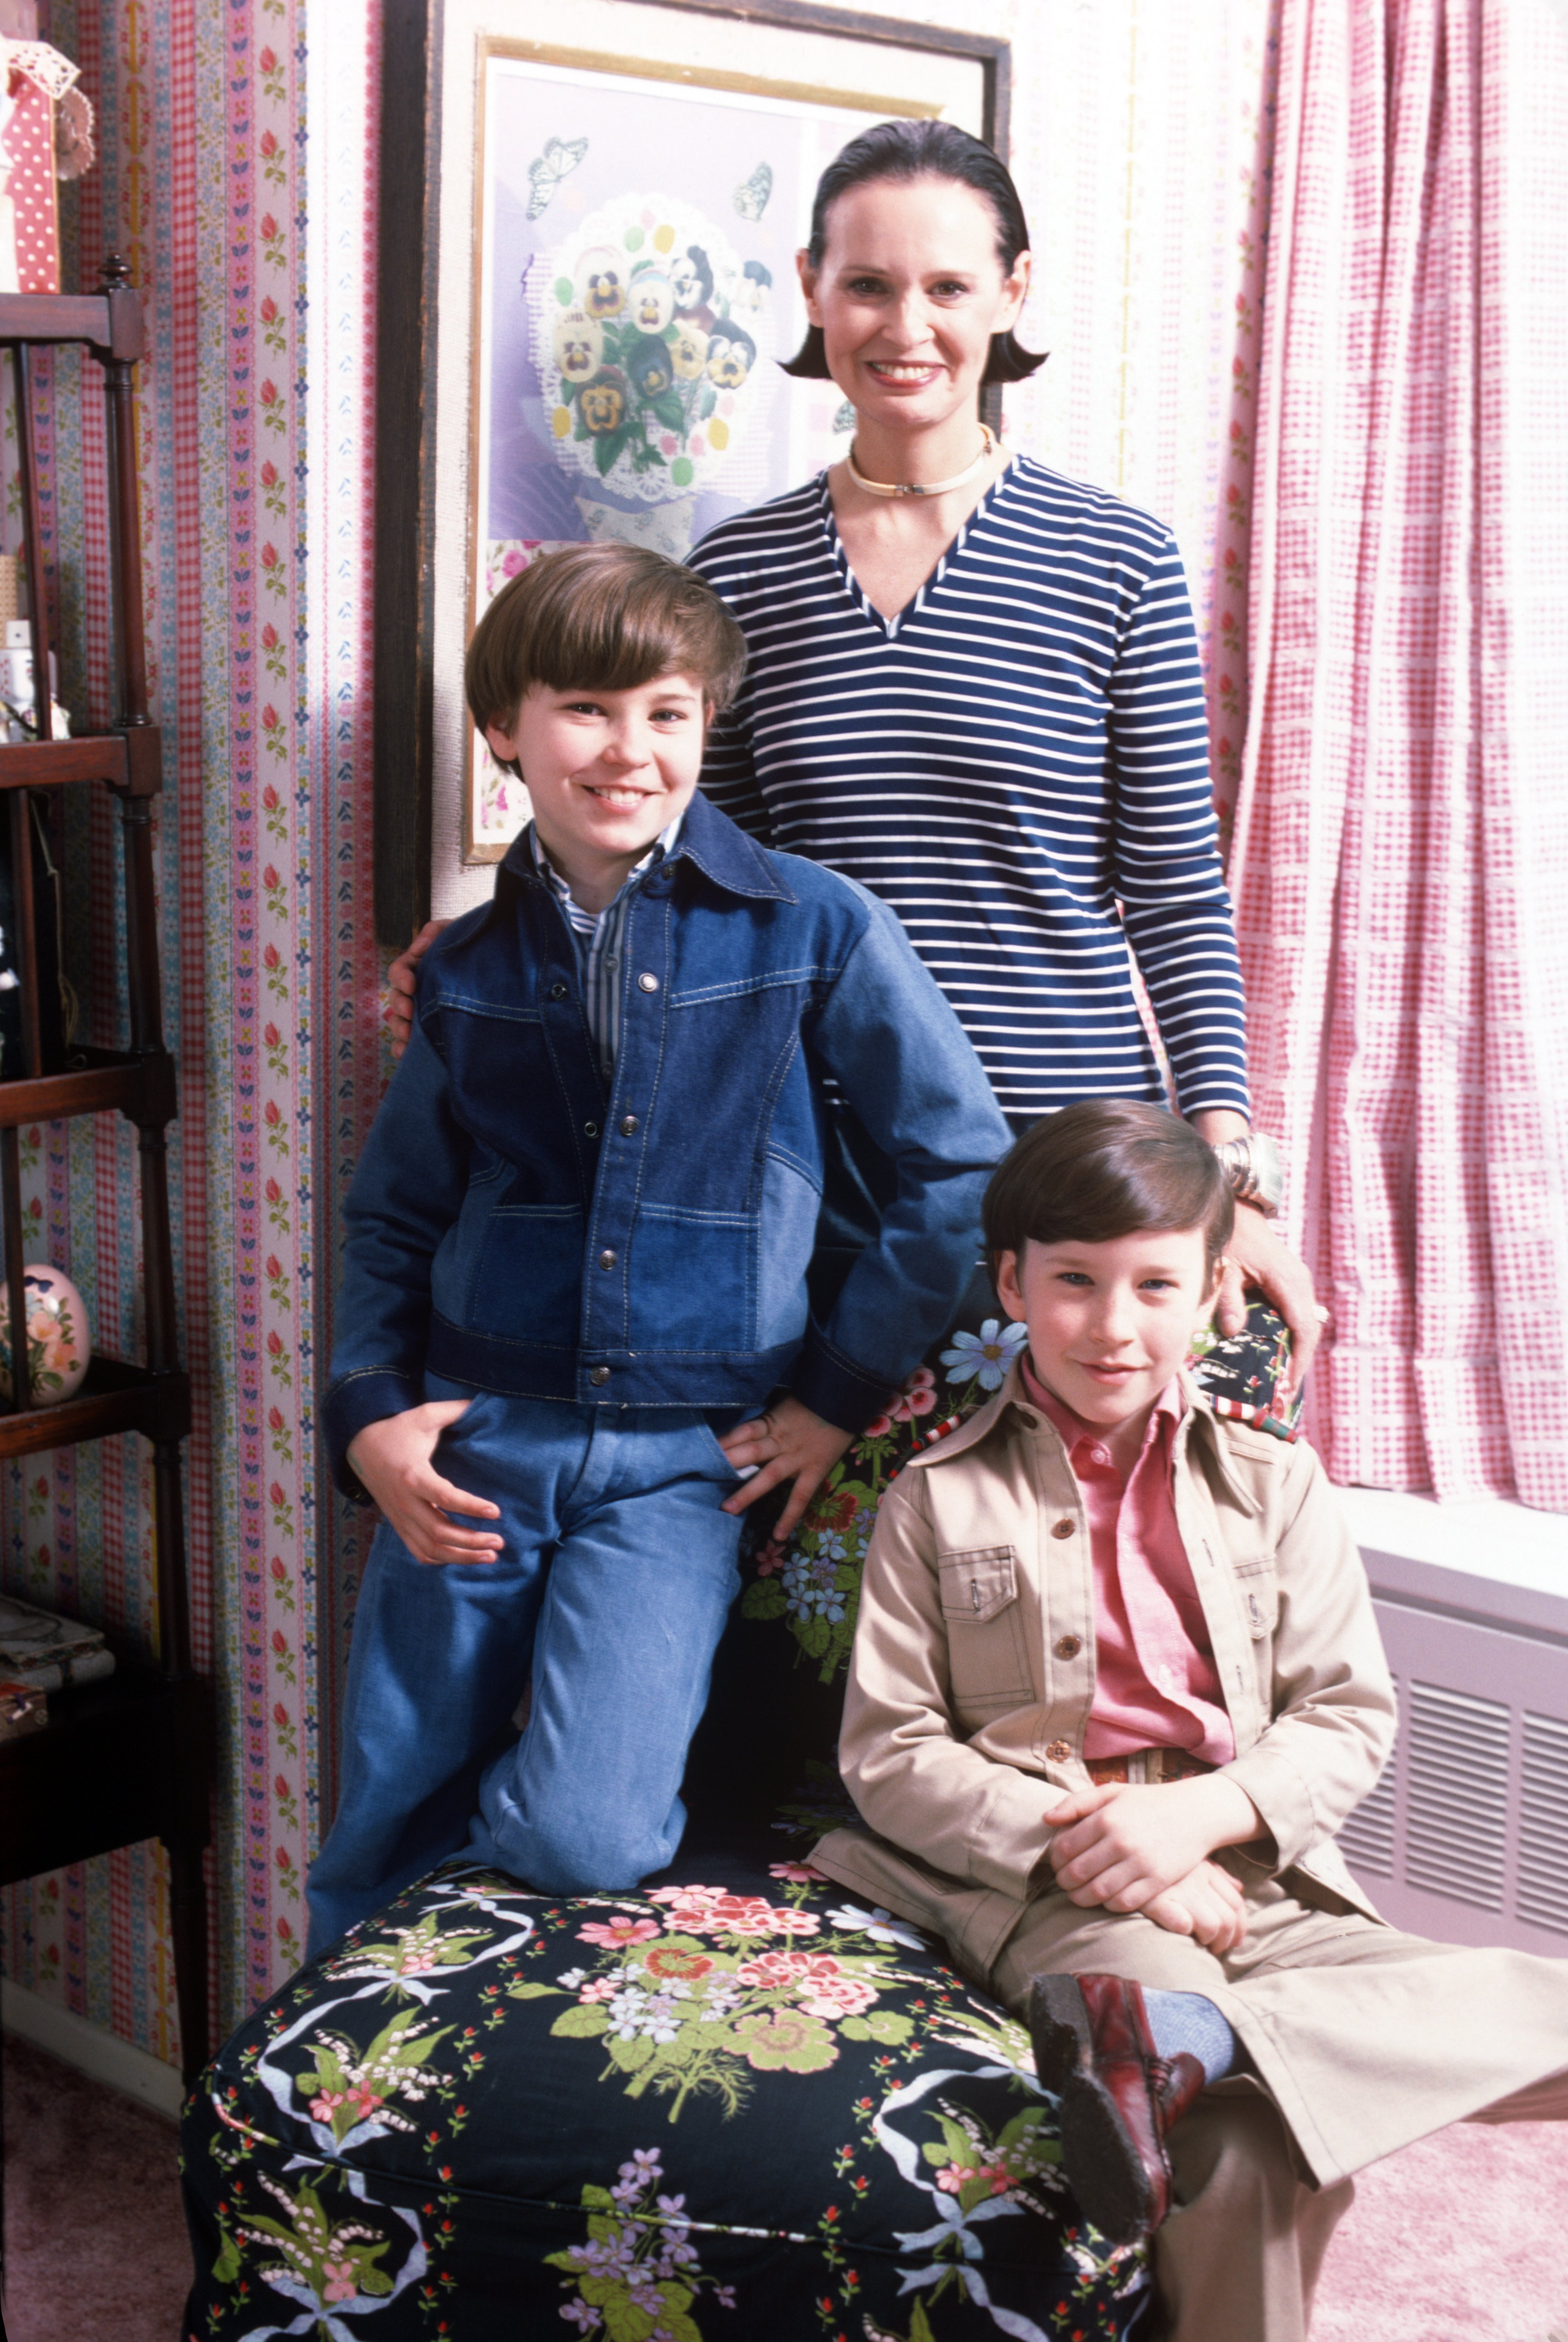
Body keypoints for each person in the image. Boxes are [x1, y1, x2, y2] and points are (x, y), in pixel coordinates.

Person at [385, 118, 1321, 1392]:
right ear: (814, 289)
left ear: (1012, 293)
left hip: (1076, 1165)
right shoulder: (742, 573)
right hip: (826, 1175)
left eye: (947, 286)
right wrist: (497, 936)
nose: (906, 326)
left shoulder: (1118, 562)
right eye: (869, 284)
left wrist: (1224, 1171)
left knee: (1093, 1571)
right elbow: (702, 869)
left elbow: (1176, 895)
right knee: (850, 1581)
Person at [305, 543, 1009, 1955]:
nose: (630, 750)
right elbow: (392, 1217)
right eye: (586, 709)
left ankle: (496, 1942)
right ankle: (343, 2098)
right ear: (505, 729)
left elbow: (960, 1164)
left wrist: (833, 1394)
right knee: (384, 1805)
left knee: (592, 1837)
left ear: (705, 728)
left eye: (668, 713)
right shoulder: (460, 971)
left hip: (684, 1462)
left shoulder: (811, 926)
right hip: (472, 1439)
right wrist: (374, 1422)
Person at [807, 1099, 1568, 2342]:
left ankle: (1200, 2036)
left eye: (1156, 1285)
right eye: (1074, 1283)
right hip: (1070, 1884)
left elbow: (1347, 1714)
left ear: (1217, 1292)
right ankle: (1173, 2041)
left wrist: (1205, 1816)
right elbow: (891, 1755)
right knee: (1242, 2152)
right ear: (1011, 1283)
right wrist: (1120, 1847)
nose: (1114, 1326)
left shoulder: (1281, 1484)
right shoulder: (934, 1500)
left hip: (1259, 1874)